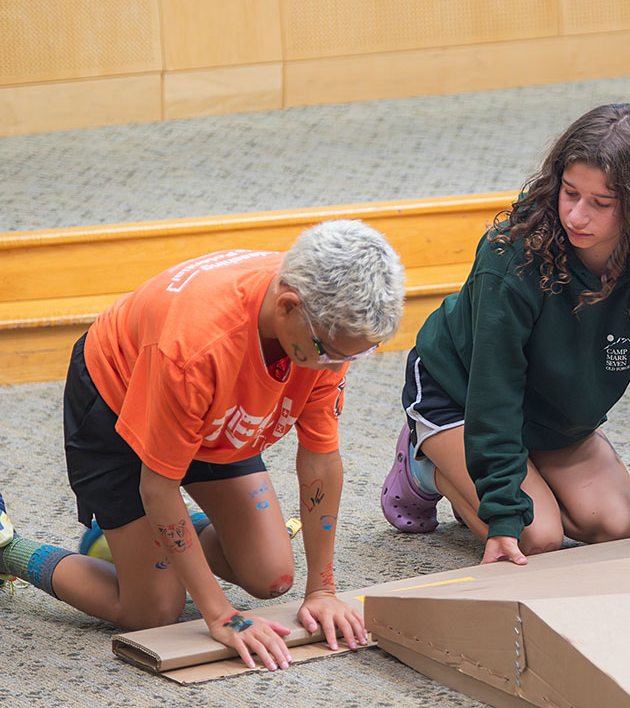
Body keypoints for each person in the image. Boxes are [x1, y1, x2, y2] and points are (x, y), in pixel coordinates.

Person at [0, 219, 404, 672]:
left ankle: (137, 540)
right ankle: (7, 550)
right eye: (332, 352)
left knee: (271, 577)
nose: (339, 366)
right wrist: (220, 614)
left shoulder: (323, 324)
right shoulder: (195, 346)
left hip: (211, 407)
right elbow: (158, 487)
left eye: (355, 355)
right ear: (289, 306)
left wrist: (322, 590)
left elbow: (320, 458)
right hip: (119, 400)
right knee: (151, 613)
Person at [380, 103, 630, 564]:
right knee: (536, 537)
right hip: (460, 394)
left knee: (617, 526)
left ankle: (508, 473)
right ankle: (427, 466)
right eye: (569, 192)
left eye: (601, 204)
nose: (577, 216)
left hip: (552, 416)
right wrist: (500, 512)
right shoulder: (511, 256)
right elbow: (494, 388)